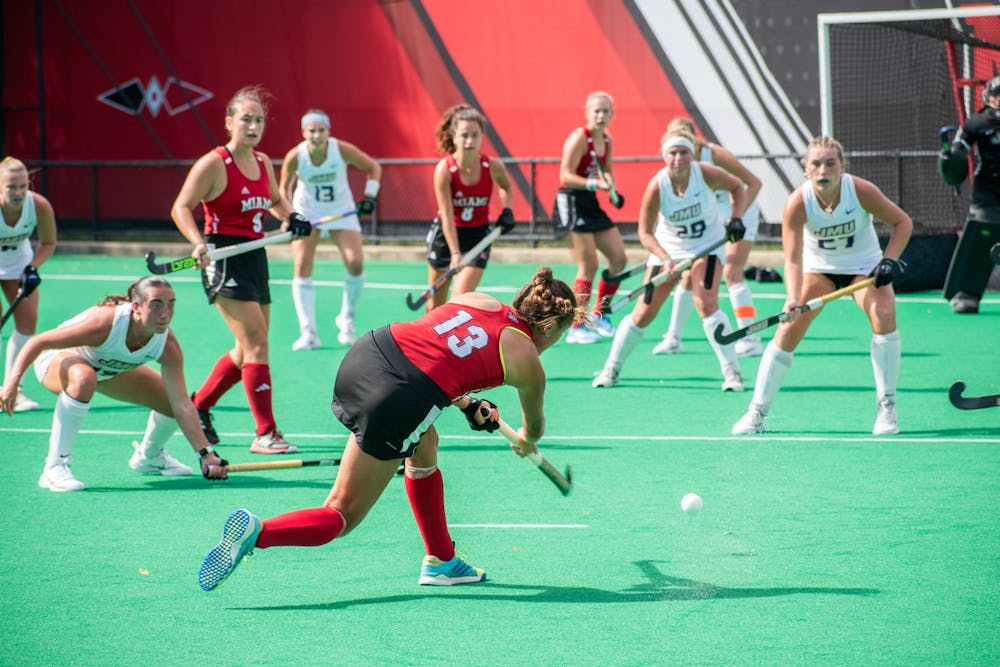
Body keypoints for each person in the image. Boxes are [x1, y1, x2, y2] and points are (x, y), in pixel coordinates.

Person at [197, 267, 585, 592]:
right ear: (551, 329)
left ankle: (441, 560)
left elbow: (437, 351)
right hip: (398, 395)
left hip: (372, 351)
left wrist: (468, 402)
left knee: (424, 440)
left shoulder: (479, 300)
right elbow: (532, 430)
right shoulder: (528, 360)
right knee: (342, 513)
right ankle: (258, 533)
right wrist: (524, 440)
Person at [732, 136, 912, 436]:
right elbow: (791, 260)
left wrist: (888, 261)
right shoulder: (797, 203)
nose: (823, 169)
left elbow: (902, 223)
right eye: (816, 163)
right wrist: (791, 298)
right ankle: (756, 413)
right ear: (806, 168)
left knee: (883, 315)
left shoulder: (861, 191)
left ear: (842, 166)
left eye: (831, 163)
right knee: (788, 328)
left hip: (863, 269)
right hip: (820, 271)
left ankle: (887, 407)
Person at [170, 86, 312, 455]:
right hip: (222, 258)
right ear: (229, 122)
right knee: (257, 344)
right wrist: (197, 243)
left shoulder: (264, 162)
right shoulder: (214, 163)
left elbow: (276, 201)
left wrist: (292, 218)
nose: (253, 126)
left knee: (244, 349)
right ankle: (266, 432)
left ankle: (198, 405)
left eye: (259, 120)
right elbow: (181, 207)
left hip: (254, 256)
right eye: (246, 119)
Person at [0, 277, 228, 491]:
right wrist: (12, 384)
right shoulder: (104, 324)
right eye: (156, 305)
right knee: (84, 378)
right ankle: (54, 467)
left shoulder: (167, 345)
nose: (165, 314)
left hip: (107, 369)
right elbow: (39, 342)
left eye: (171, 304)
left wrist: (205, 453)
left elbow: (182, 405)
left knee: (170, 400)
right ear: (136, 307)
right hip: (56, 360)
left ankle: (149, 456)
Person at [592, 128, 747, 391]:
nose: (678, 158)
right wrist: (665, 258)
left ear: (692, 154)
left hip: (707, 246)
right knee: (642, 312)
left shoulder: (706, 174)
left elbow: (738, 188)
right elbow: (645, 232)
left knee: (707, 304)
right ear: (665, 156)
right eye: (673, 153)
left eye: (684, 152)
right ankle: (612, 369)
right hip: (668, 249)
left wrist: (736, 218)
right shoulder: (657, 185)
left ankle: (733, 374)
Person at [651, 118, 766, 357]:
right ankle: (673, 338)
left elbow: (753, 183)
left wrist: (736, 219)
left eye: (684, 146)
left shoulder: (713, 156)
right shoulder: (674, 166)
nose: (679, 155)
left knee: (732, 271)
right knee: (687, 274)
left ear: (693, 142)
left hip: (739, 210)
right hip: (710, 215)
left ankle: (750, 338)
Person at [279, 109, 382, 350]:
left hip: (341, 211)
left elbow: (373, 168)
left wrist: (370, 196)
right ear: (304, 133)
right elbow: (282, 190)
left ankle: (346, 320)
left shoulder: (340, 149)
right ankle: (308, 332)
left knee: (355, 263)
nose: (316, 135)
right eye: (311, 131)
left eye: (321, 130)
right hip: (308, 213)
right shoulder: (296, 156)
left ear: (328, 131)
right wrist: (289, 216)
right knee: (302, 265)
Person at [552, 91, 629, 343]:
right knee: (589, 265)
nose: (600, 115)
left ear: (612, 115)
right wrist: (596, 184)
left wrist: (613, 191)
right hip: (572, 202)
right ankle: (576, 326)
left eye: (605, 111)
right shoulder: (579, 138)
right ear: (587, 113)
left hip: (591, 202)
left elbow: (607, 173)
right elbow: (565, 176)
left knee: (619, 259)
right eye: (596, 110)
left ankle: (600, 314)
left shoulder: (607, 141)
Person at [424, 104, 515, 311]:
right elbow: (446, 214)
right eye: (464, 135)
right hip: (447, 237)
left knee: (459, 299)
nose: (470, 141)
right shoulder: (445, 170)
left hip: (478, 237)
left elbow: (506, 187)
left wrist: (507, 210)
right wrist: (455, 253)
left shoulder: (491, 166)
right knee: (435, 306)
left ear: (482, 137)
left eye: (475, 135)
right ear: (454, 137)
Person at [938, 75, 1000, 314]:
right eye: (995, 96)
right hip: (987, 194)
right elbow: (959, 150)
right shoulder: (976, 123)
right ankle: (966, 294)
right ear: (988, 97)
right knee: (980, 239)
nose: (998, 100)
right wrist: (949, 161)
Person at [0, 156, 57, 412]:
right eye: (11, 187)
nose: (18, 192)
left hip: (19, 265)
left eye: (22, 185)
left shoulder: (39, 205)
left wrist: (32, 267)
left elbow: (48, 243)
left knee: (27, 324)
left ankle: (12, 390)